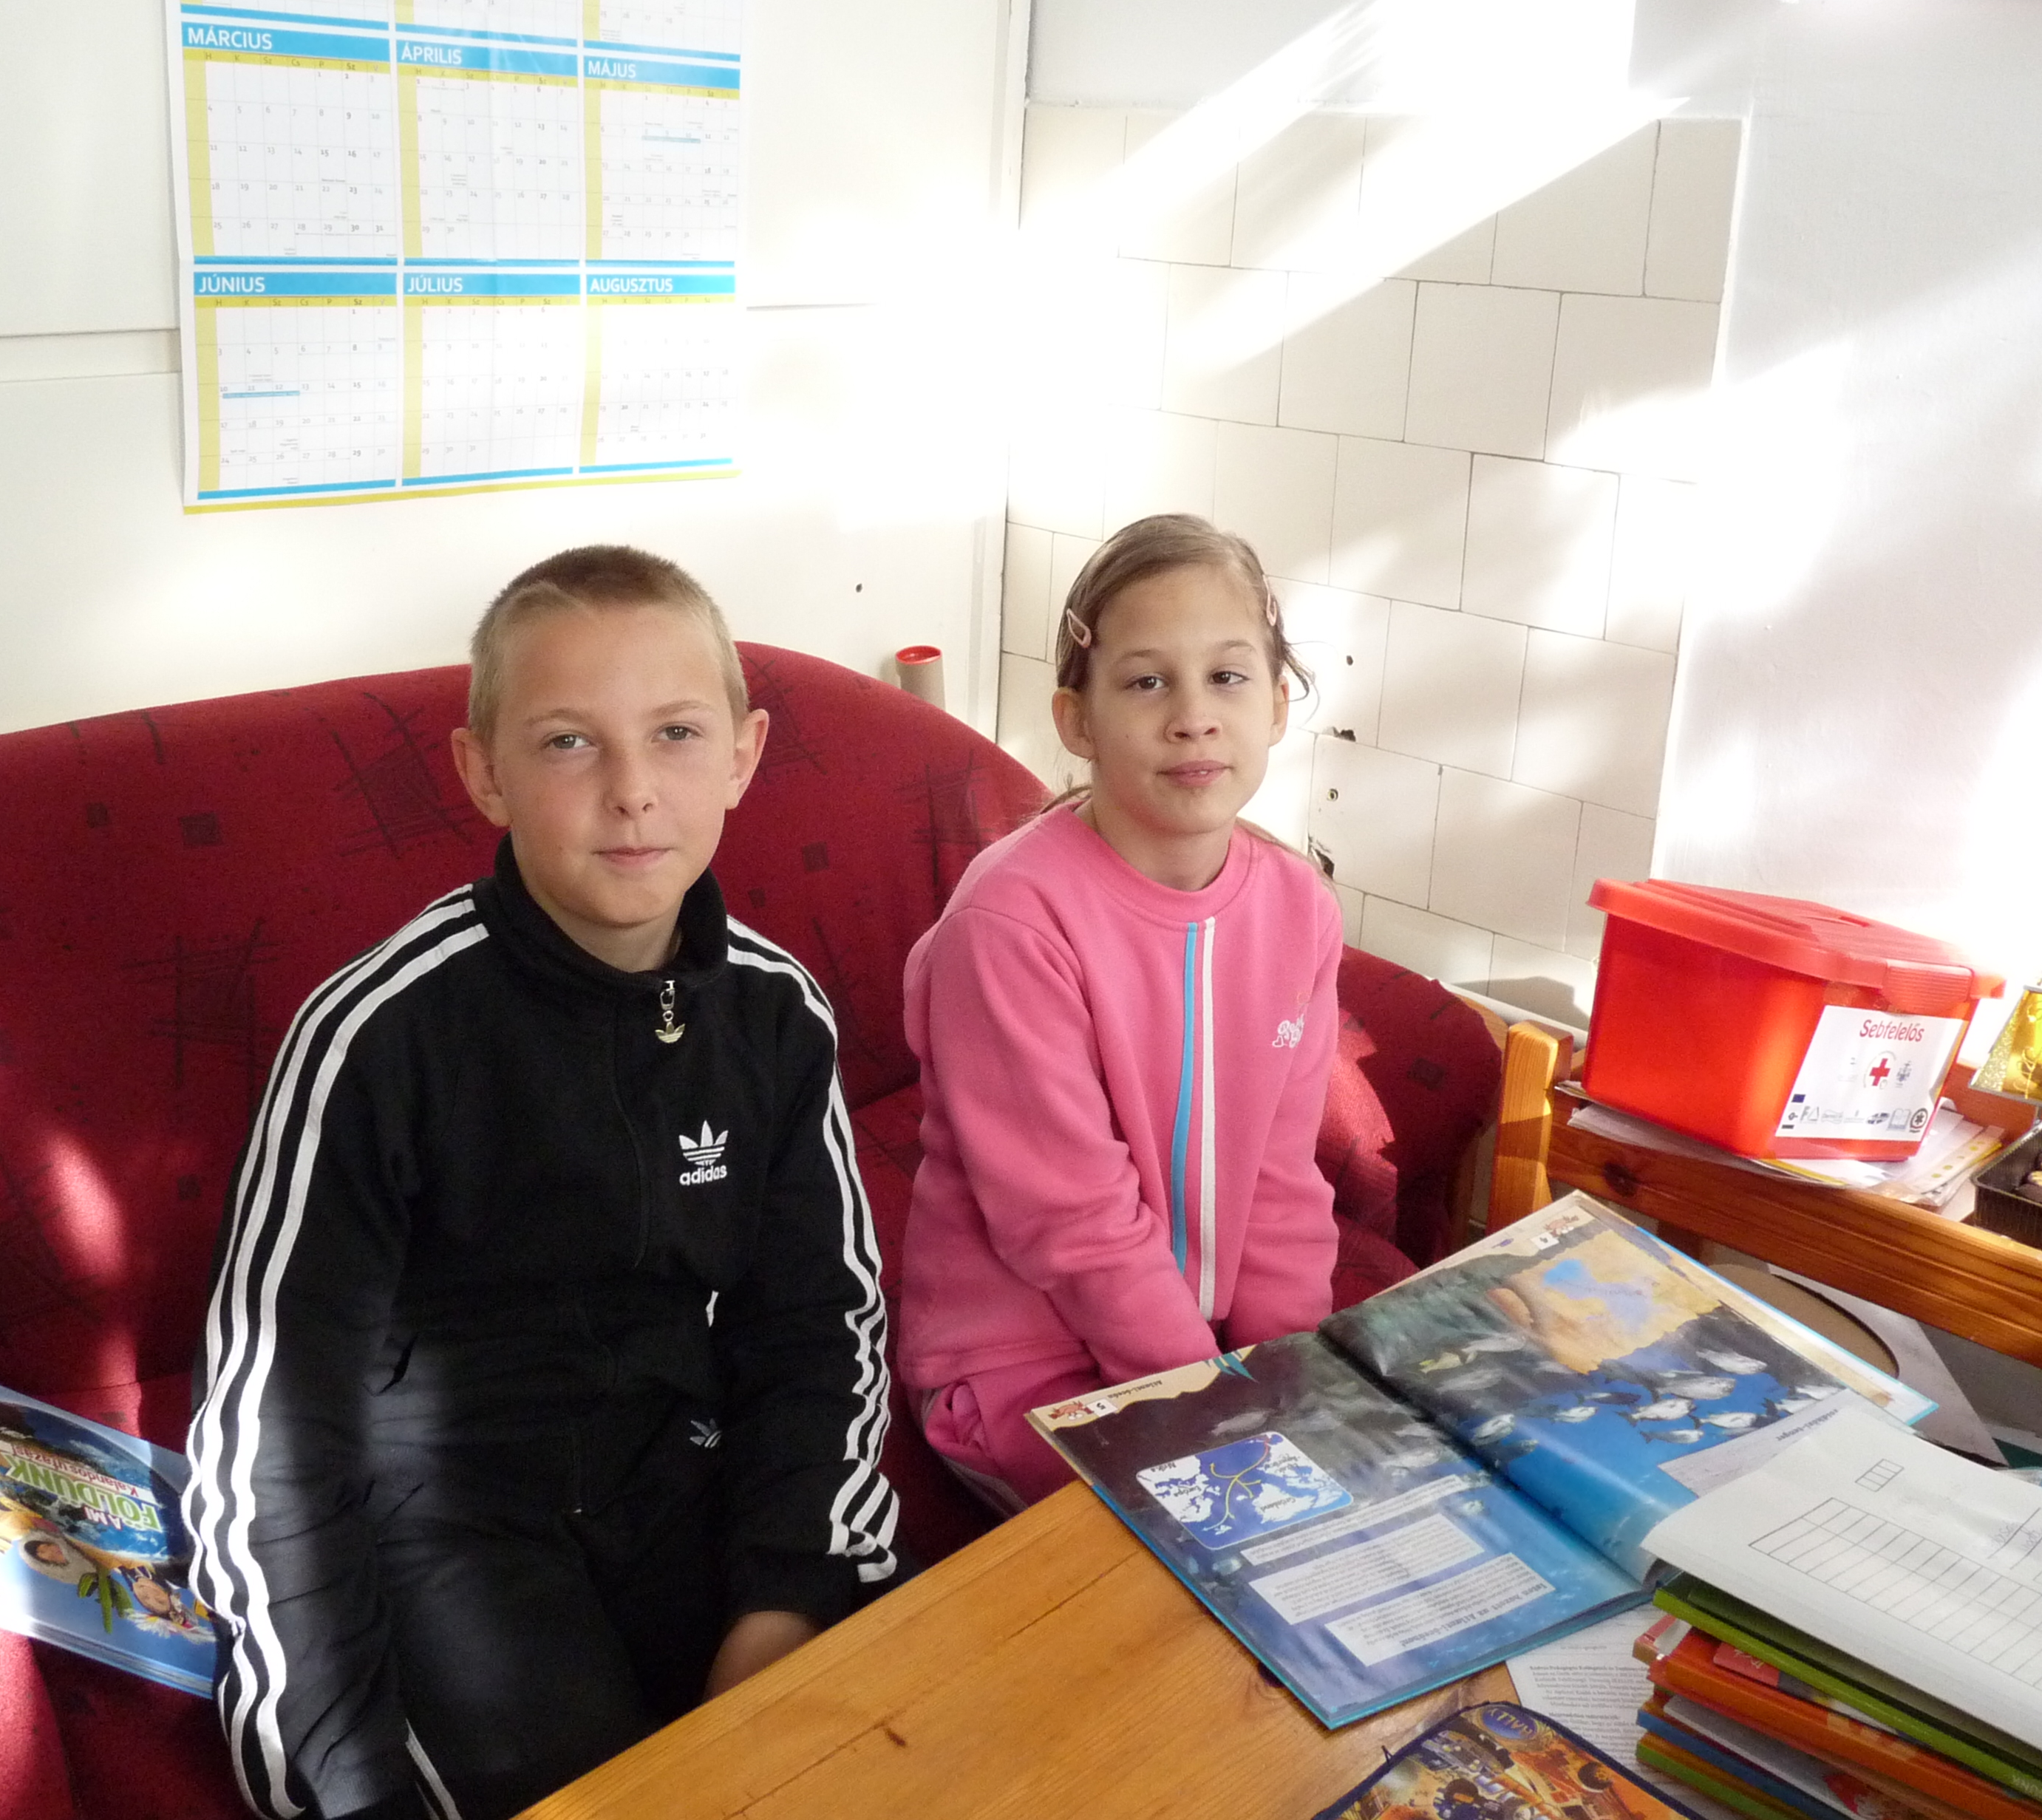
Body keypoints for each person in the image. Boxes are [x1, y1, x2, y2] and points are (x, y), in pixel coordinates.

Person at [183, 547, 896, 1820]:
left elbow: (820, 1329)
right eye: (570, 743)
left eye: (676, 733)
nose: (633, 792)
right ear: (483, 773)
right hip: (452, 1523)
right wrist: (336, 1776)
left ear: (744, 755)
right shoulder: (376, 1036)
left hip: (680, 1479)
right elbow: (274, 1427)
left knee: (889, 1746)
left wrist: (787, 1594)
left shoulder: (776, 1014)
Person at [895, 512, 1345, 1510]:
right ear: (1077, 720)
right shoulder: (1011, 921)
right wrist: (1211, 1408)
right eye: (1147, 682)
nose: (1193, 718)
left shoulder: (1298, 907)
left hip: (1201, 1348)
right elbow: (1072, 1221)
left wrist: (1290, 1376)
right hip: (1018, 1365)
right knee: (1244, 1541)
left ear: (1278, 704)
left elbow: (1281, 1178)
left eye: (1226, 677)